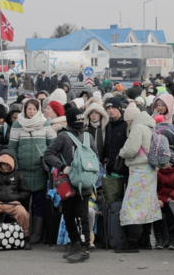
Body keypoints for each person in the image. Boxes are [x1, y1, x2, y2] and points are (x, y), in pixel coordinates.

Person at [44, 106, 99, 263]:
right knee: (70, 215)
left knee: (79, 215)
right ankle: (77, 244)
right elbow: (96, 157)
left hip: (72, 182)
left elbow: (48, 154)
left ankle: (84, 248)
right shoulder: (86, 136)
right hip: (84, 181)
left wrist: (63, 168)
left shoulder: (65, 136)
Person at [116, 103, 161, 253]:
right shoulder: (150, 126)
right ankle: (145, 239)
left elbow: (130, 149)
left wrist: (121, 153)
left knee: (132, 205)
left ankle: (132, 241)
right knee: (147, 204)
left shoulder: (137, 127)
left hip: (138, 171)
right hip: (150, 171)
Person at [9, 99, 55, 244]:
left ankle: (37, 232)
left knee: (39, 201)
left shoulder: (45, 123)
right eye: (29, 109)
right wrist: (15, 168)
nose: (32, 112)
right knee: (23, 201)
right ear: (24, 109)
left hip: (40, 171)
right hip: (22, 171)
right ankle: (24, 230)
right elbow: (12, 148)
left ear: (38, 110)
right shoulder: (17, 125)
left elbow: (52, 146)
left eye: (34, 109)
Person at [0, 150, 32, 251]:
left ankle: (26, 238)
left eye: (7, 164)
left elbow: (26, 192)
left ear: (12, 164)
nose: (5, 166)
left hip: (13, 202)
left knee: (23, 213)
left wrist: (14, 197)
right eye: (3, 164)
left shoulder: (18, 175)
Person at [154, 153, 174, 250]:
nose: (163, 164)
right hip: (161, 199)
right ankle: (159, 239)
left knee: (171, 217)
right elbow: (154, 187)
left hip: (173, 199)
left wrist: (172, 196)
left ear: (172, 163)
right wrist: (158, 199)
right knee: (157, 218)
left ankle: (173, 240)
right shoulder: (158, 173)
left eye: (166, 161)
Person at [103, 97, 127, 174]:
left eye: (113, 108)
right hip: (110, 165)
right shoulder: (108, 124)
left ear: (119, 108)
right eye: (108, 108)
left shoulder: (126, 124)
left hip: (123, 165)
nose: (111, 111)